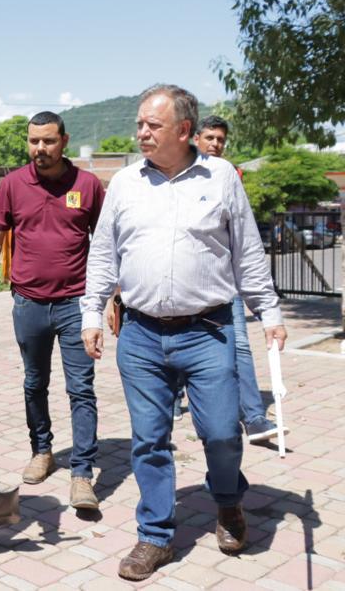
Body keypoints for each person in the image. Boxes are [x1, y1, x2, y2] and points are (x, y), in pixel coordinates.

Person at [80, 84, 287, 581]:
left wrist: (270, 313)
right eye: (139, 124)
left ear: (184, 130)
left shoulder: (221, 178)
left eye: (152, 125)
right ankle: (155, 535)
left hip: (208, 331)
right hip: (141, 335)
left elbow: (248, 254)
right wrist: (92, 314)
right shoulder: (126, 184)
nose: (141, 132)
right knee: (149, 440)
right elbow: (104, 255)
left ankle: (227, 500)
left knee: (219, 433)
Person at [0, 111, 105, 508]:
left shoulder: (87, 185)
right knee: (34, 383)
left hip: (76, 303)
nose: (40, 149)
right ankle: (42, 450)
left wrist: (109, 299)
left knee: (81, 388)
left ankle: (82, 473)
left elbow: (104, 245)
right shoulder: (14, 184)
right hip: (28, 302)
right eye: (34, 141)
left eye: (48, 141)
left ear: (63, 141)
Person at [184, 115, 285, 443]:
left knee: (240, 346)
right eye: (210, 137)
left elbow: (244, 239)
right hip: (182, 287)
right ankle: (172, 397)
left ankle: (254, 417)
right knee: (171, 347)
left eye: (221, 140)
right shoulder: (177, 176)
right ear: (195, 138)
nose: (215, 144)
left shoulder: (229, 176)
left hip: (226, 284)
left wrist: (267, 307)